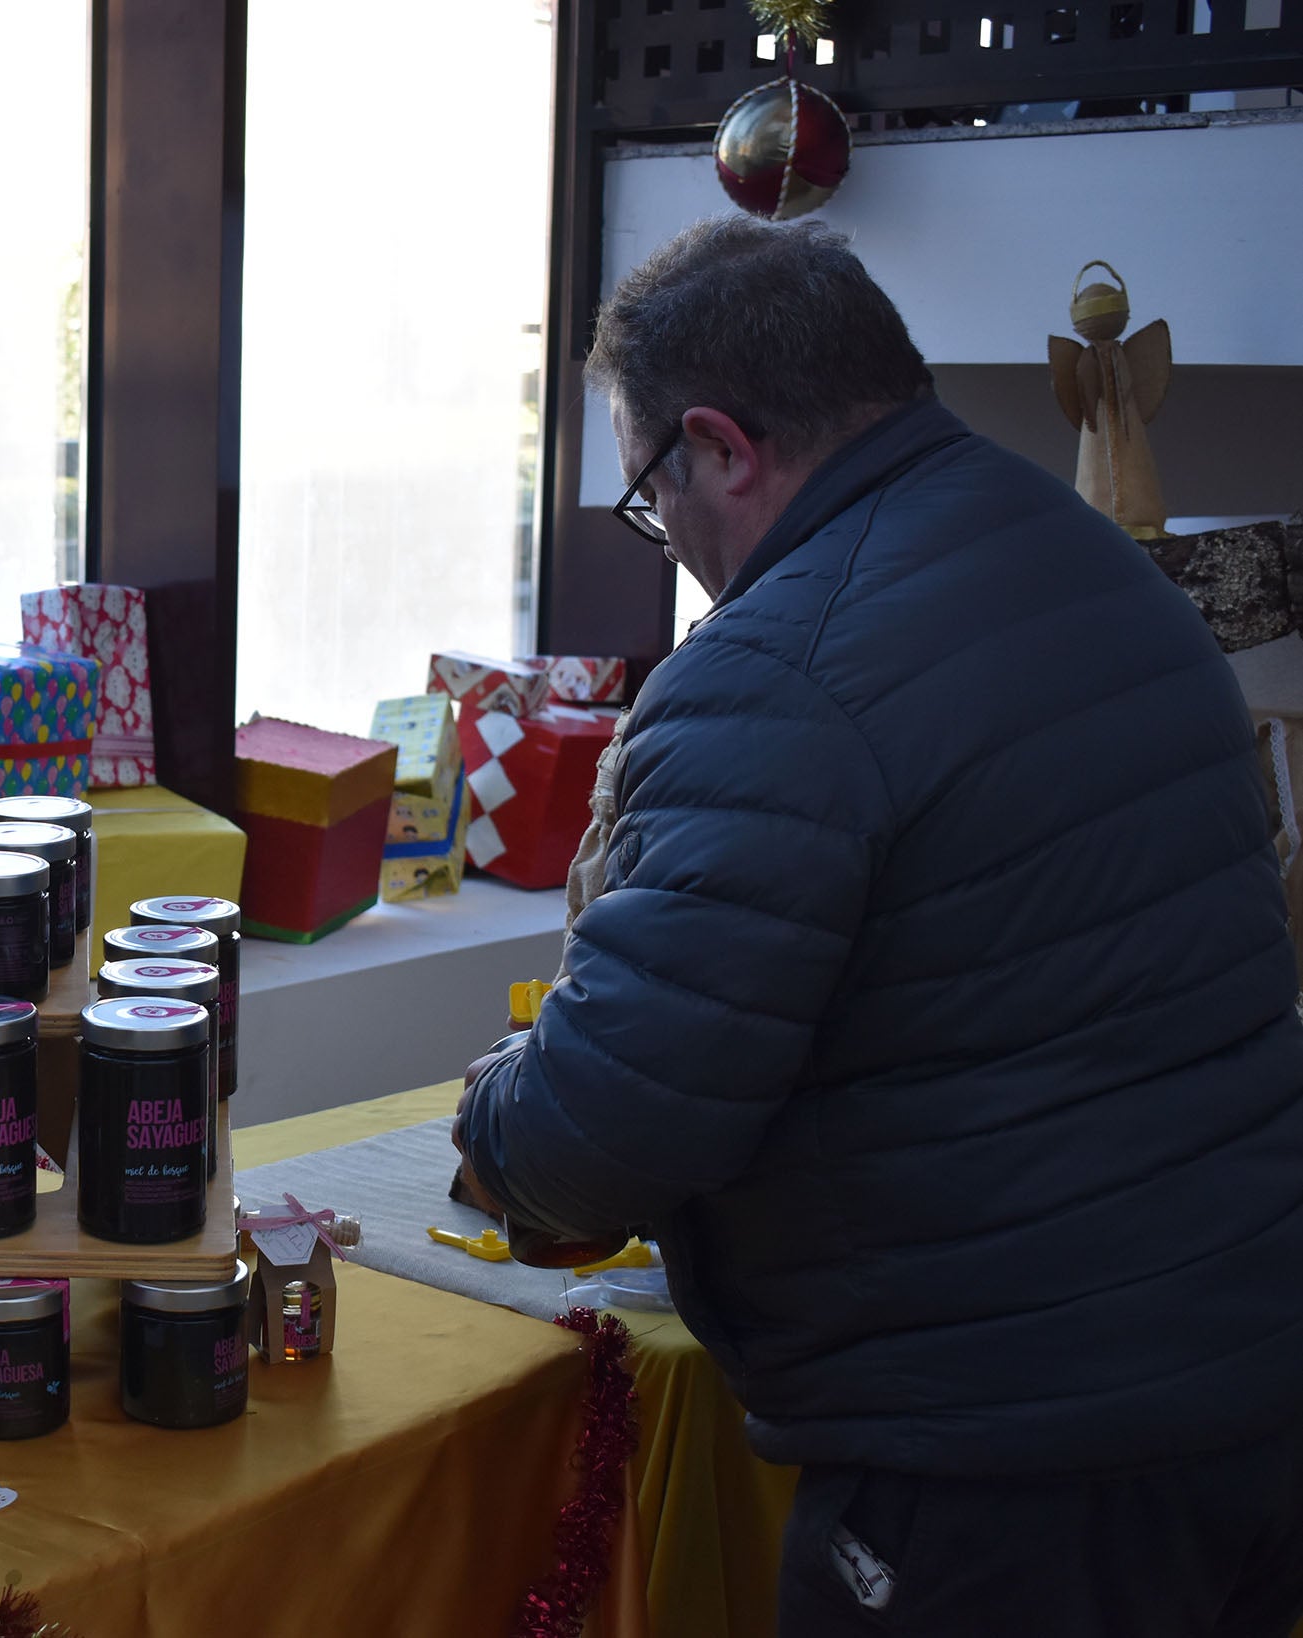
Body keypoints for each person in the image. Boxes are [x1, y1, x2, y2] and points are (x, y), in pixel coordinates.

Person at [456, 218, 1303, 1635]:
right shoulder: (1101, 571)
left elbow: (605, 1134)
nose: (672, 542)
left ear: (720, 446)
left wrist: (497, 1115)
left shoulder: (773, 670)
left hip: (1004, 1454)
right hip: (1244, 1378)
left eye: (651, 498)